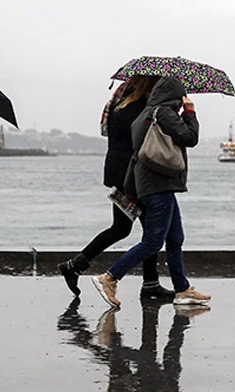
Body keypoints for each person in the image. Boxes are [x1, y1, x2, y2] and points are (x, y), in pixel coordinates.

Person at [92, 76, 210, 307]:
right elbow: (190, 137)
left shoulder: (144, 115)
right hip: (159, 186)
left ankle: (183, 289)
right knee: (153, 241)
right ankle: (110, 277)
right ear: (173, 95)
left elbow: (137, 154)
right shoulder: (163, 114)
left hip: (152, 185)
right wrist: (190, 112)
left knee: (175, 238)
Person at [57, 76, 175, 300]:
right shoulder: (140, 110)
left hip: (118, 174)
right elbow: (142, 142)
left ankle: (75, 266)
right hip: (132, 177)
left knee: (122, 228)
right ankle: (149, 284)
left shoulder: (119, 105)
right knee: (151, 231)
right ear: (148, 86)